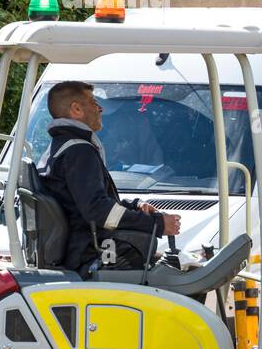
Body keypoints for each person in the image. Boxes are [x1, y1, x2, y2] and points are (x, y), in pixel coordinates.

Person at [36, 80, 180, 275]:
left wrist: (134, 205)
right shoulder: (79, 151)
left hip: (77, 250)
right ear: (77, 109)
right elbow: (98, 211)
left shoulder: (59, 148)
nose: (100, 109)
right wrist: (157, 224)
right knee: (170, 272)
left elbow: (84, 204)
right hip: (89, 254)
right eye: (94, 102)